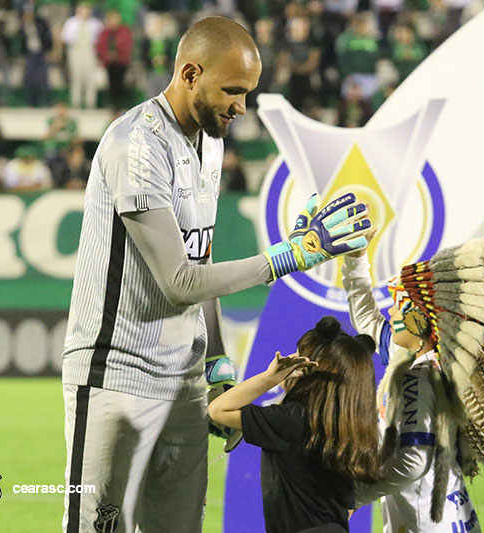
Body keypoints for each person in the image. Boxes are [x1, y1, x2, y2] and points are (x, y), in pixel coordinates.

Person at [61, 16, 370, 533]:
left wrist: (218, 357)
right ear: (189, 74)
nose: (241, 107)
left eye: (248, 93)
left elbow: (200, 258)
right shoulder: (135, 147)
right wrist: (289, 256)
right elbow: (177, 280)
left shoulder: (210, 140)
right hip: (116, 374)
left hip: (182, 378)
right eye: (232, 91)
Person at [341, 241, 479, 532]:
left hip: (426, 522)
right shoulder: (424, 360)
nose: (390, 313)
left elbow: (413, 462)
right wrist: (356, 260)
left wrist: (354, 496)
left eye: (398, 306)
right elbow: (367, 319)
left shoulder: (419, 379)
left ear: (418, 320)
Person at [208, 316, 384, 533]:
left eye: (298, 355)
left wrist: (270, 377)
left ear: (309, 370)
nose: (290, 359)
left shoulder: (291, 419)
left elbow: (218, 410)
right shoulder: (347, 426)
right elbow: (347, 506)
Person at [61, 2, 103, 109]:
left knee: (90, 78)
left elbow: (101, 39)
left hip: (90, 51)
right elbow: (65, 37)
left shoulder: (96, 23)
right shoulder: (71, 22)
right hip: (76, 51)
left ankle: (90, 103)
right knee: (76, 77)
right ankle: (76, 103)